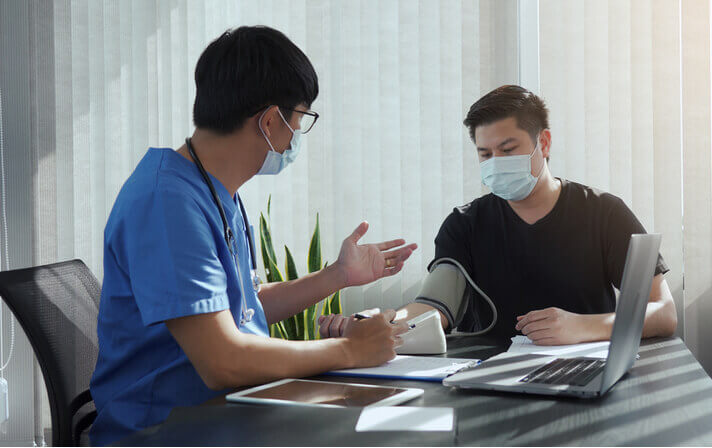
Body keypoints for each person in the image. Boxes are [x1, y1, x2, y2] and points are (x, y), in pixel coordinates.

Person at [89, 26, 416, 446]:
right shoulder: (167, 203)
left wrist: (337, 276)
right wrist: (352, 351)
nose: (298, 135)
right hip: (165, 430)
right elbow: (222, 361)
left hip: (229, 414)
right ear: (269, 121)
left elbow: (243, 307)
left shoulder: (213, 189)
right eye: (301, 120)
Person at [320, 85, 677, 344]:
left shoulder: (604, 212)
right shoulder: (465, 224)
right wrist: (376, 321)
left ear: (545, 144)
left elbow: (663, 311)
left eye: (508, 150)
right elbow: (435, 306)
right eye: (485, 154)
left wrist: (586, 326)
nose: (496, 164)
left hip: (586, 369)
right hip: (491, 379)